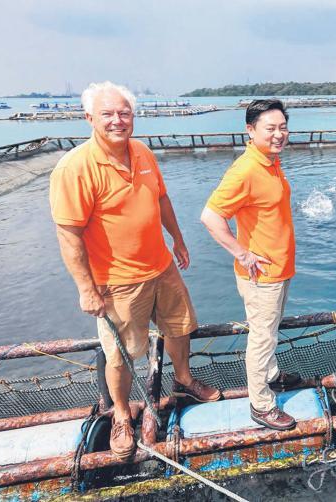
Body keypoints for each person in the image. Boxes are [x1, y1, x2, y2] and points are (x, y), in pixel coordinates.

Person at [49, 81, 220, 461]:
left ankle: (183, 380)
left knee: (180, 326)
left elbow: (161, 198)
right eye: (107, 114)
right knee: (122, 354)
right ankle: (122, 415)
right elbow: (68, 235)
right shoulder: (75, 168)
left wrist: (178, 239)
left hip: (161, 267)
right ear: (89, 118)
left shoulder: (142, 151)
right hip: (118, 282)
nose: (118, 120)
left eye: (124, 113)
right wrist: (86, 288)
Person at [201, 99, 301, 431]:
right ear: (250, 130)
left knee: (269, 333)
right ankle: (261, 405)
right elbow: (211, 216)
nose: (278, 134)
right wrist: (242, 254)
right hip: (261, 276)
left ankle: (271, 374)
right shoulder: (245, 170)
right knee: (262, 338)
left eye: (283, 127)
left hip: (279, 268)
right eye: (270, 128)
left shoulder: (271, 162)